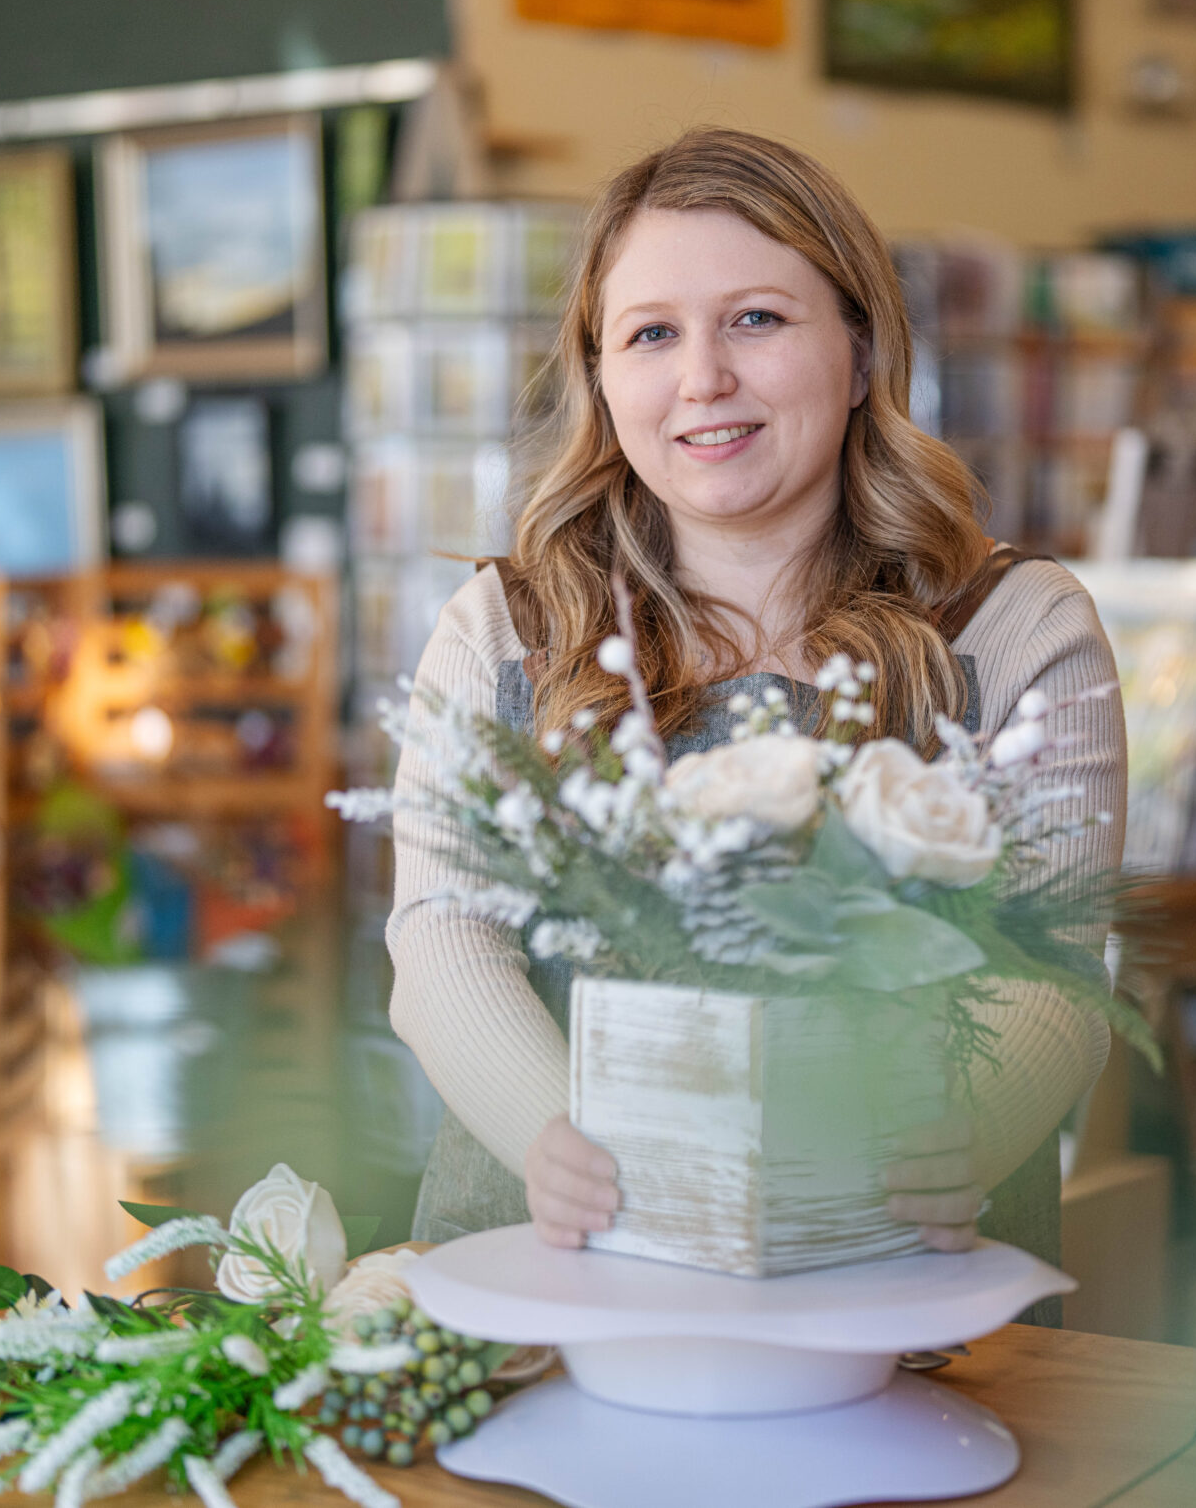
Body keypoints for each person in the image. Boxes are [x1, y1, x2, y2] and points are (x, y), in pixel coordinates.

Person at [384, 128, 1122, 1289]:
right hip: (558, 1258)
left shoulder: (1014, 624)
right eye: (651, 334)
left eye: (756, 320)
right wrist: (559, 1138)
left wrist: (959, 1139)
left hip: (900, 1276)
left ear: (861, 343)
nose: (702, 379)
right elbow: (440, 936)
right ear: (600, 372)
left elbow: (1060, 951)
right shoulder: (501, 629)